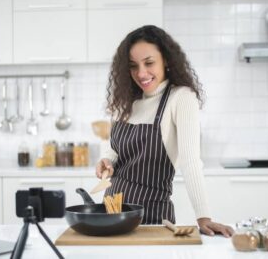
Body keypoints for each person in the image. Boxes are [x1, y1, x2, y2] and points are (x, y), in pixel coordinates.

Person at [95, 25, 234, 237]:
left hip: (151, 221)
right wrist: (106, 161)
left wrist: (204, 217)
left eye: (149, 63)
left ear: (166, 60)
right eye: (133, 66)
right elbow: (114, 149)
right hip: (111, 214)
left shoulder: (181, 98)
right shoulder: (127, 100)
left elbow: (190, 161)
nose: (141, 73)